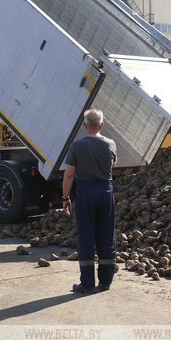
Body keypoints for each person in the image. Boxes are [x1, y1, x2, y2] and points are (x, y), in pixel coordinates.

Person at [63, 109, 117, 294]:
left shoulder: (77, 146)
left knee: (86, 236)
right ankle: (106, 281)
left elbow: (69, 174)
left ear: (85, 126)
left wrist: (65, 198)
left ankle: (87, 283)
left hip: (86, 191)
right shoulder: (111, 145)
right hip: (105, 190)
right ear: (101, 125)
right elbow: (111, 167)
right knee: (106, 235)